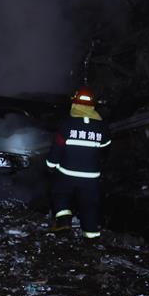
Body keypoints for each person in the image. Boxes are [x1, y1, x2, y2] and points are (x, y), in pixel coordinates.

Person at [46, 86, 112, 239]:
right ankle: (91, 238)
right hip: (91, 177)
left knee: (60, 194)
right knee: (89, 205)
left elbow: (57, 147)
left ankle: (63, 221)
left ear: (74, 104)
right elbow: (105, 147)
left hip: (67, 173)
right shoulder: (101, 127)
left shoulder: (67, 124)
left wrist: (50, 165)